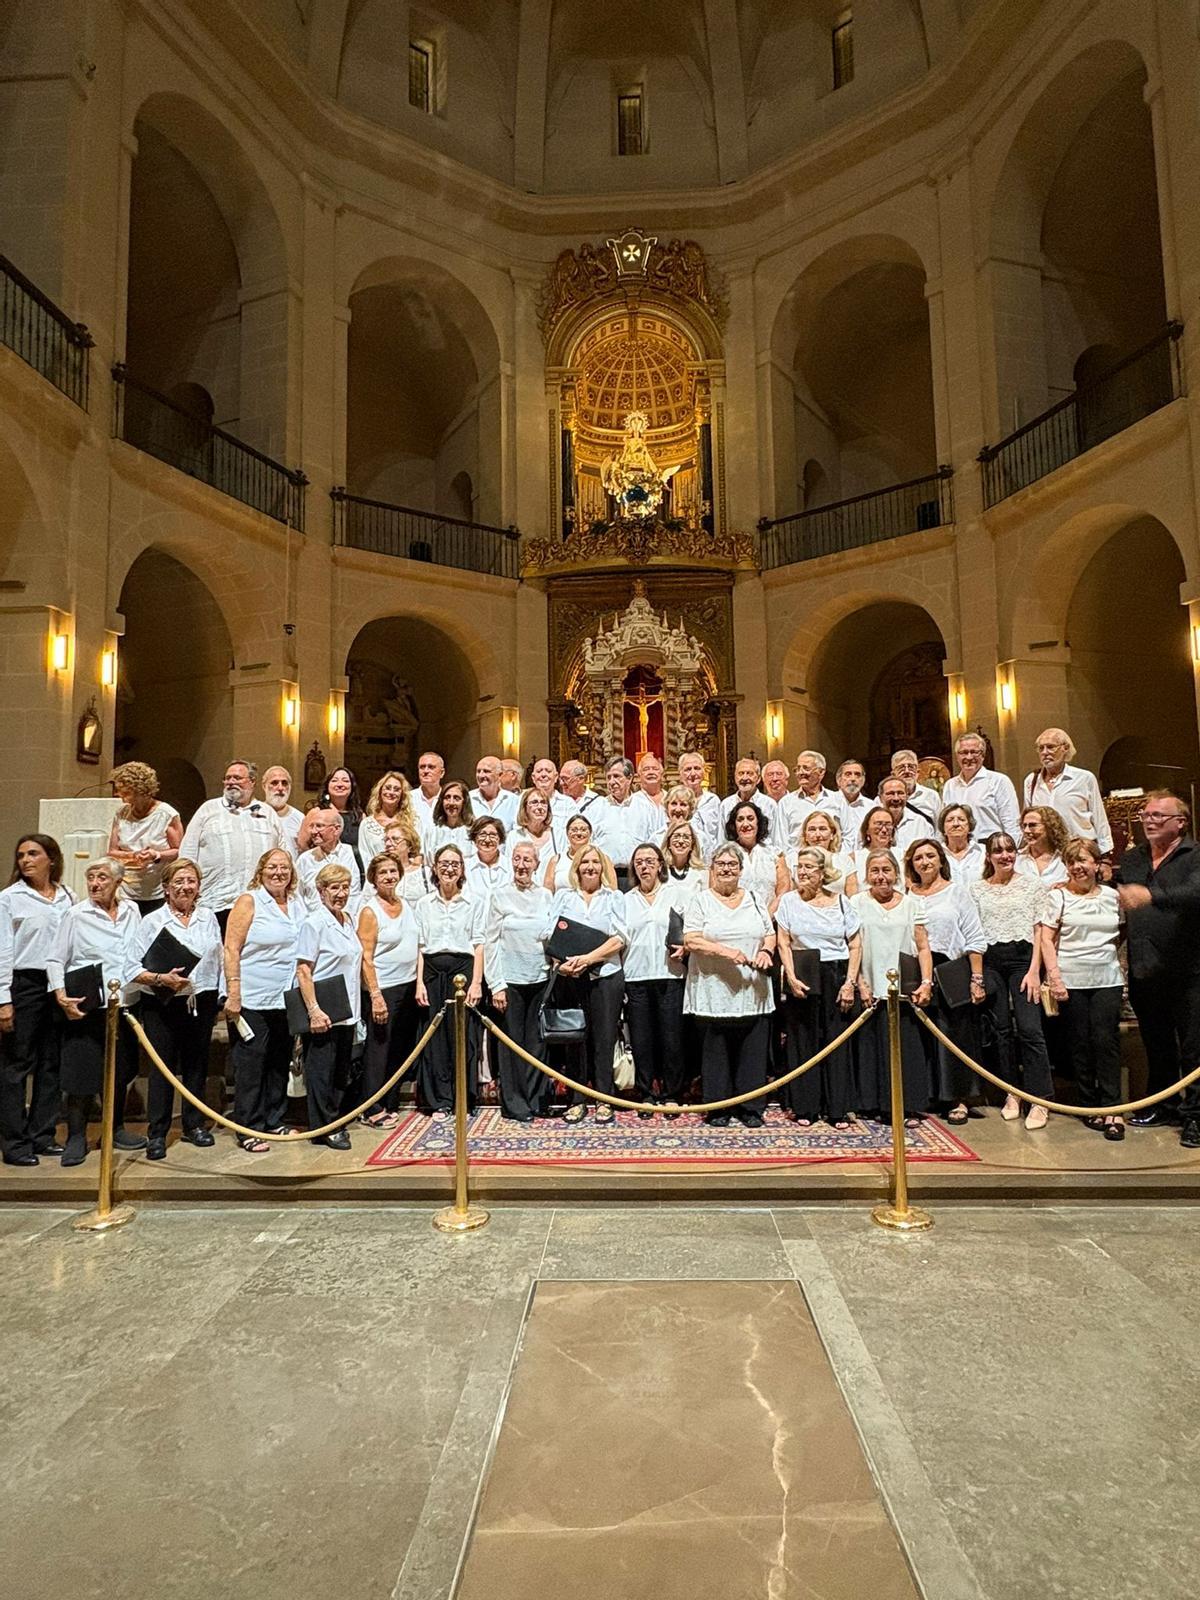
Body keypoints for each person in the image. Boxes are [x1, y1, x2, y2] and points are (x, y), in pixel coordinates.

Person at [1114, 791, 1200, 1144]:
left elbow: (1195, 894)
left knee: (1194, 1048)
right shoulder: (1133, 858)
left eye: (1158, 816)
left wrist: (1151, 896)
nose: (1149, 821)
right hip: (1146, 968)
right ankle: (1164, 1106)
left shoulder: (1195, 856)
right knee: (1157, 1043)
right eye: (1145, 815)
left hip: (1189, 971)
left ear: (1181, 822)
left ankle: (1196, 1116)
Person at [47, 858, 144, 1165]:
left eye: (102, 877)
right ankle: (76, 1136)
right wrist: (61, 995)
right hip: (87, 1004)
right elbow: (55, 959)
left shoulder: (132, 910)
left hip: (125, 1002)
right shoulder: (76, 914)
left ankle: (114, 1129)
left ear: (118, 882)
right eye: (91, 877)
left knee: (120, 1070)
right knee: (82, 1072)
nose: (95, 883)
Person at [128, 857, 223, 1160]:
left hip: (200, 1000)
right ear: (166, 888)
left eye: (191, 881)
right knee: (163, 1067)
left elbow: (219, 957)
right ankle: (157, 1133)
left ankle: (194, 1125)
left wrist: (221, 994)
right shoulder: (152, 921)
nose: (185, 887)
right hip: (162, 1003)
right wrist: (160, 978)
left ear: (199, 887)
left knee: (196, 1065)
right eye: (178, 882)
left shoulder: (208, 917)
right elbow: (130, 967)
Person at [683, 843, 776, 1128]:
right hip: (714, 989)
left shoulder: (755, 898)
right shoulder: (700, 901)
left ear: (740, 869)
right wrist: (726, 952)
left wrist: (766, 951)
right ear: (712, 869)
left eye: (732, 864)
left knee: (752, 1051)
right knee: (716, 1052)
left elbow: (769, 933)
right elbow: (691, 939)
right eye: (721, 864)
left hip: (752, 988)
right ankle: (718, 1107)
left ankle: (751, 1107)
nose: (726, 869)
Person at [969, 832, 1055, 1131]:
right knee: (1001, 1030)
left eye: (1009, 850)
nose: (1005, 855)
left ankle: (1040, 1098)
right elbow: (974, 932)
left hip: (1023, 960)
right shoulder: (977, 889)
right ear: (989, 856)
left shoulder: (1031, 885)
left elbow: (1040, 930)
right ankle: (1012, 1093)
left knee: (1030, 1029)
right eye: (998, 851)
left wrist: (1034, 971)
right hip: (991, 961)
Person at [224, 848, 305, 1154]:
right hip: (252, 997)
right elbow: (231, 948)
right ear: (261, 871)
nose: (278, 873)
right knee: (251, 1063)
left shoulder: (296, 903)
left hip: (285, 998)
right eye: (272, 867)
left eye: (284, 868)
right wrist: (234, 991)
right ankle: (249, 1126)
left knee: (278, 1061)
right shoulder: (249, 901)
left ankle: (274, 1118)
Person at [0, 834, 74, 1165]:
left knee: (51, 1062)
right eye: (21, 855)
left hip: (57, 984)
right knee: (16, 1065)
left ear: (51, 859)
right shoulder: (10, 898)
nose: (26, 860)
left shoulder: (67, 896)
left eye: (33, 853)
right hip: (24, 983)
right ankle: (14, 1142)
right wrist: (3, 999)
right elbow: (3, 950)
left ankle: (42, 1135)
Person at [1044, 840, 1125, 1140]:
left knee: (1106, 1041)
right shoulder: (1058, 897)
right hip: (1071, 979)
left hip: (1107, 977)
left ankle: (1113, 1108)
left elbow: (1121, 932)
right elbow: (1046, 939)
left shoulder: (1112, 896)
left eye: (1083, 860)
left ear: (1096, 864)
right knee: (1079, 1042)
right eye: (1071, 862)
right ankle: (1088, 1104)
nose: (1077, 867)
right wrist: (1055, 977)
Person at [775, 846, 861, 1129]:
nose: (802, 872)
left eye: (809, 867)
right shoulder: (788, 901)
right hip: (803, 973)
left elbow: (855, 944)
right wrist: (790, 976)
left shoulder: (841, 902)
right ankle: (805, 1107)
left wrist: (849, 983)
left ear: (823, 872)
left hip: (835, 974)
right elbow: (783, 942)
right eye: (799, 866)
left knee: (835, 1040)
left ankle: (837, 1108)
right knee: (803, 1041)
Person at [904, 838, 987, 1125]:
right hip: (917, 971)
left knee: (954, 1034)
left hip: (950, 968)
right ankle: (928, 1094)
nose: (925, 862)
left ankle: (958, 1098)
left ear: (941, 860)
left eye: (930, 856)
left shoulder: (957, 893)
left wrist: (977, 978)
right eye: (918, 858)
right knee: (921, 1036)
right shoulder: (908, 894)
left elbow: (974, 937)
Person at [851, 849, 933, 1123]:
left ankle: (907, 1106)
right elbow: (852, 945)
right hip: (869, 986)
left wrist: (926, 982)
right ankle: (873, 1104)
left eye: (886, 870)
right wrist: (859, 982)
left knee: (905, 1048)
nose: (881, 876)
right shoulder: (856, 903)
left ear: (896, 873)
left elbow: (923, 946)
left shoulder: (912, 904)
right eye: (874, 871)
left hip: (903, 989)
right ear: (867, 875)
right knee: (871, 1047)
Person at [550, 844, 627, 1125]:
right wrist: (561, 963)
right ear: (577, 868)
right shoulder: (564, 896)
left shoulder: (614, 897)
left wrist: (588, 959)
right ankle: (577, 1100)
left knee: (604, 1039)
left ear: (602, 867)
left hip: (605, 976)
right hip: (570, 977)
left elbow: (620, 938)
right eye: (585, 862)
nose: (590, 867)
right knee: (576, 1039)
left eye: (595, 862)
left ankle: (604, 1099)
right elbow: (551, 933)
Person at [415, 844, 486, 1118]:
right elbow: (421, 947)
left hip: (463, 971)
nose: (449, 869)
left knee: (462, 1036)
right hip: (433, 973)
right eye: (444, 863)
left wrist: (476, 982)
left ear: (462, 869)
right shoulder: (424, 904)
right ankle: (440, 1101)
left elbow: (479, 944)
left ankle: (462, 1098)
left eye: (455, 864)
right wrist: (419, 983)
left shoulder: (474, 902)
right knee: (435, 1038)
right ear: (435, 868)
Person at [485, 842, 554, 1121]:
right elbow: (490, 942)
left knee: (537, 1043)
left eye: (527, 860)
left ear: (537, 864)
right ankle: (515, 1104)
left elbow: (551, 935)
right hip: (510, 982)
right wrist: (496, 984)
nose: (522, 865)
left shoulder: (546, 896)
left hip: (540, 979)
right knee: (511, 1045)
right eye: (517, 859)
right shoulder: (499, 895)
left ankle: (536, 1100)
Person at [295, 863, 361, 1150]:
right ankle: (323, 1126)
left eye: (345, 887)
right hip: (324, 1009)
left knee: (339, 1069)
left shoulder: (347, 919)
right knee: (322, 1071)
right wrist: (314, 1009)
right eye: (334, 888)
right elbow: (303, 970)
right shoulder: (314, 923)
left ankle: (334, 1120)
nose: (341, 893)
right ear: (321, 891)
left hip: (347, 1007)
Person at [180, 760, 284, 931]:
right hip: (216, 903)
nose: (231, 782)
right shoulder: (208, 810)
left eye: (237, 778)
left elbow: (284, 854)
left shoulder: (268, 813)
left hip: (260, 904)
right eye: (227, 778)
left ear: (252, 782)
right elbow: (187, 854)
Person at [358, 853, 420, 1131]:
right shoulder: (370, 911)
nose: (389, 876)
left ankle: (389, 1101)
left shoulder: (405, 904)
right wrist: (375, 995)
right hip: (383, 989)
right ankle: (371, 1107)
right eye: (382, 872)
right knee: (378, 1050)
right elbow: (366, 957)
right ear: (373, 878)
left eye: (393, 871)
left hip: (407, 986)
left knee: (398, 1048)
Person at [623, 842, 687, 1112]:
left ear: (660, 864)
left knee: (672, 1038)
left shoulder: (676, 894)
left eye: (650, 861)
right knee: (641, 1039)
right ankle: (647, 1093)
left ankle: (672, 1093)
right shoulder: (625, 900)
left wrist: (685, 948)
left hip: (670, 975)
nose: (644, 866)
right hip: (636, 976)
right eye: (639, 862)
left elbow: (691, 930)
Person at [107, 761, 183, 913]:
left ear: (141, 790)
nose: (120, 797)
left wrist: (155, 855)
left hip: (157, 890)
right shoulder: (121, 813)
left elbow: (179, 851)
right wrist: (133, 856)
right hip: (126, 890)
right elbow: (112, 852)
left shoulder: (166, 814)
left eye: (126, 792)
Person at [1022, 729, 1113, 855]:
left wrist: (1105, 854)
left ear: (1065, 748)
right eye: (1041, 748)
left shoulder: (1084, 778)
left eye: (1050, 747)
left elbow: (1099, 818)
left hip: (1079, 851)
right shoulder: (1031, 781)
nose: (1045, 752)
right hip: (1047, 853)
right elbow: (1027, 818)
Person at [941, 733, 1020, 841]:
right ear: (957, 756)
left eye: (974, 752)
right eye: (964, 752)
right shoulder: (950, 785)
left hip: (990, 846)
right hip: (959, 847)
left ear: (983, 755)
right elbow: (945, 822)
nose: (969, 757)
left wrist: (1011, 848)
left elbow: (1011, 823)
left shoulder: (999, 781)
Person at [588, 757, 651, 889]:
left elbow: (653, 841)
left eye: (616, 776)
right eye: (608, 777)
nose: (612, 782)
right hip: (605, 877)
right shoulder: (596, 808)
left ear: (629, 778)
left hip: (637, 876)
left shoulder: (645, 808)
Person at [296, 810, 363, 913]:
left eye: (319, 826)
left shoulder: (355, 855)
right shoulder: (305, 859)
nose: (313, 831)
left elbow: (364, 893)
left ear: (336, 829)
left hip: (348, 919)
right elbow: (297, 895)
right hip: (314, 919)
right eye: (312, 826)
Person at [724, 801, 788, 906]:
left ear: (758, 822)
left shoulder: (775, 854)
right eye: (740, 819)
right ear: (734, 825)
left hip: (770, 914)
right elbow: (718, 892)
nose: (745, 824)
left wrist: (768, 914)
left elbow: (783, 891)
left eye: (750, 819)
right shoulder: (724, 855)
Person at [300, 767, 364, 863]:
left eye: (345, 781)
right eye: (334, 780)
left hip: (350, 865)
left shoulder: (359, 816)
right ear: (327, 786)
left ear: (352, 786)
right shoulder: (316, 813)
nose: (340, 784)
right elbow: (303, 844)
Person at [787, 810, 854, 894]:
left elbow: (852, 897)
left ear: (832, 834)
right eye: (812, 829)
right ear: (805, 836)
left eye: (823, 829)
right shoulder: (792, 860)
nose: (818, 835)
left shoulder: (845, 861)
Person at [721, 759, 783, 849]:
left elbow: (776, 838)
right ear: (735, 778)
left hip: (763, 854)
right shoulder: (726, 804)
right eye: (741, 773)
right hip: (734, 854)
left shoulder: (769, 804)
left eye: (749, 773)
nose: (745, 778)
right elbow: (722, 839)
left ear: (758, 779)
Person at [778, 750, 838, 843]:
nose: (800, 773)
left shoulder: (837, 800)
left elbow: (846, 835)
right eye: (798, 769)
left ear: (821, 772)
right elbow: (781, 840)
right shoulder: (786, 802)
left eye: (806, 768)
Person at [359, 770, 416, 863]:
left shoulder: (412, 821)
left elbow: (417, 852)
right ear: (380, 791)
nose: (391, 792)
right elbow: (364, 856)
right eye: (388, 788)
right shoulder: (367, 824)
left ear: (402, 794)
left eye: (396, 789)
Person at [677, 751, 723, 860]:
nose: (693, 773)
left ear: (703, 772)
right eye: (688, 769)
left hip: (710, 860)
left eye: (697, 768)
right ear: (680, 774)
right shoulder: (674, 802)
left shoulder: (713, 801)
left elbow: (720, 834)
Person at [844, 807, 899, 894]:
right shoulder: (853, 859)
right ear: (867, 830)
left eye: (888, 824)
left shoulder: (904, 856)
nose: (884, 830)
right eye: (879, 824)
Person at [878, 776, 936, 854]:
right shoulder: (872, 824)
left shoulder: (920, 823)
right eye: (890, 793)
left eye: (900, 793)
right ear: (880, 798)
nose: (896, 798)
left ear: (907, 796)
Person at [509, 787, 562, 870]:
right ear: (525, 808)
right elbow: (509, 868)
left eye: (543, 802)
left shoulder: (559, 835)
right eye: (534, 802)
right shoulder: (514, 836)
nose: (540, 807)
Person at [544, 812, 597, 892]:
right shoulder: (556, 860)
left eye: (583, 830)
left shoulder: (601, 858)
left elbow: (611, 891)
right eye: (574, 830)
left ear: (590, 833)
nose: (578, 833)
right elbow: (547, 893)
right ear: (567, 833)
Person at [1016, 805, 1068, 885]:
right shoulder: (1017, 859)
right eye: (1024, 826)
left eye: (1032, 825)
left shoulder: (1065, 859)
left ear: (1049, 827)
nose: (1026, 830)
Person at [381, 817, 429, 904]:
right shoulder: (378, 872)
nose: (388, 844)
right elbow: (366, 903)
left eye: (395, 839)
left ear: (409, 846)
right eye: (386, 840)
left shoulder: (425, 873)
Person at [426, 779, 477, 859]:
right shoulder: (432, 829)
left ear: (464, 802)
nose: (451, 803)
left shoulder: (472, 830)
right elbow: (427, 861)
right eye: (447, 797)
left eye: (456, 798)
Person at [889, 749, 941, 827]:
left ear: (917, 772)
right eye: (901, 768)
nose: (907, 771)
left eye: (911, 767)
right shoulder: (883, 799)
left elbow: (939, 828)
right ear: (893, 774)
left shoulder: (931, 796)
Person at [260, 766, 305, 854]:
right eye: (274, 783)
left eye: (284, 783)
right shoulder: (255, 814)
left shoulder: (300, 818)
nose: (280, 788)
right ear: (264, 786)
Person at [938, 803, 985, 883]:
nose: (956, 824)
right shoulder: (936, 854)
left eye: (961, 819)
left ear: (970, 826)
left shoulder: (983, 851)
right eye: (950, 820)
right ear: (943, 828)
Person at [469, 756, 519, 832]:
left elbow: (517, 830)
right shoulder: (468, 798)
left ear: (500, 775)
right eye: (478, 771)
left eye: (486, 771)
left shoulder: (513, 800)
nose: (481, 775)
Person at [466, 816, 510, 896]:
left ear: (500, 838)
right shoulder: (465, 867)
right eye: (482, 834)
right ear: (474, 838)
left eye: (493, 835)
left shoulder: (511, 867)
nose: (487, 840)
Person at [662, 821, 707, 897]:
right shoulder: (659, 871)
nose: (681, 841)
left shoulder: (701, 872)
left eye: (686, 837)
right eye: (676, 836)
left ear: (692, 844)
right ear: (668, 842)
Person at [831, 759, 870, 844]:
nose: (853, 779)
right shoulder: (828, 802)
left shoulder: (871, 807)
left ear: (863, 781)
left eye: (857, 775)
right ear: (838, 780)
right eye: (848, 774)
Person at [529, 756, 577, 823]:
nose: (543, 775)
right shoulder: (522, 801)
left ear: (556, 777)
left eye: (548, 771)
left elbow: (575, 827)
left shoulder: (568, 803)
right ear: (533, 778)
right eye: (539, 771)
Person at [410, 751, 445, 835]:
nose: (426, 771)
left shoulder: (448, 799)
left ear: (442, 773)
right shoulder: (408, 798)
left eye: (431, 767)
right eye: (422, 767)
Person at [633, 754, 666, 819]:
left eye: (655, 769)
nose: (651, 772)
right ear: (639, 775)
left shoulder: (670, 798)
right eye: (646, 769)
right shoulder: (632, 801)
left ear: (661, 774)